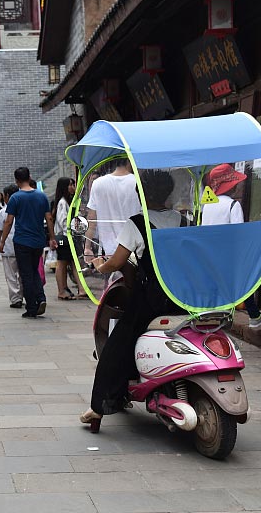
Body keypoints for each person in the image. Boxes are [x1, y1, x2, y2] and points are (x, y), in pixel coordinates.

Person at [80, 169, 184, 429]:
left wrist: (99, 266)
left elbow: (117, 261)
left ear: (141, 194)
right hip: (181, 296)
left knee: (115, 349)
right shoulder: (182, 221)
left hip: (151, 301)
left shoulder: (137, 223)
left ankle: (99, 408)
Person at [201, 163, 261, 329]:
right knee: (244, 284)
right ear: (231, 185)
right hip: (228, 256)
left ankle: (212, 318)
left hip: (210, 255)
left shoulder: (208, 205)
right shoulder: (233, 205)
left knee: (217, 288)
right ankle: (254, 316)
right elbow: (239, 235)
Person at [0, 167, 53, 318]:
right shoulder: (42, 196)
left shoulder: (15, 198)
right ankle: (41, 298)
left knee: (26, 274)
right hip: (39, 241)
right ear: (30, 177)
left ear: (16, 180)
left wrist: (2, 242)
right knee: (34, 270)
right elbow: (49, 218)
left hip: (22, 242)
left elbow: (8, 222)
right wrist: (52, 238)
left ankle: (31, 308)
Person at [83, 158, 140, 263]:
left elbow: (92, 219)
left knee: (112, 279)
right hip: (136, 250)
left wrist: (87, 247)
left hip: (108, 253)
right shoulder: (139, 182)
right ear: (130, 160)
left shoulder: (98, 184)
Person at [52, 177, 84, 300]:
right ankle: (62, 290)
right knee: (62, 263)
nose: (72, 187)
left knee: (72, 262)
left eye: (73, 184)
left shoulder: (70, 201)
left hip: (70, 236)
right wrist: (71, 232)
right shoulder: (62, 202)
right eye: (70, 185)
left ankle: (77, 289)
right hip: (65, 237)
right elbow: (63, 221)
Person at [0, 184, 23, 308]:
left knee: (11, 274)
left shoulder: (3, 212)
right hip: (23, 244)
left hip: (8, 245)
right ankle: (24, 294)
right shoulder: (23, 208)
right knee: (23, 273)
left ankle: (16, 298)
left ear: (6, 196)